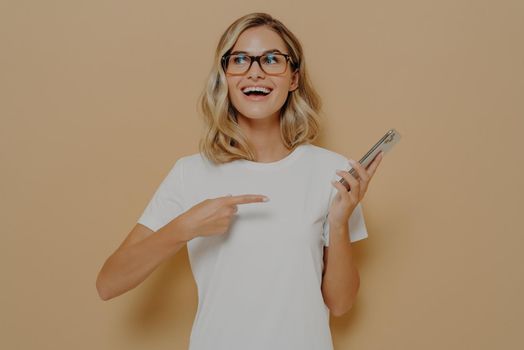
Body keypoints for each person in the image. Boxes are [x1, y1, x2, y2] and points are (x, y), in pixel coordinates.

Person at [96, 12, 383, 350]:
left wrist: (338, 223)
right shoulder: (191, 173)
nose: (256, 71)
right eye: (241, 59)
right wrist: (185, 226)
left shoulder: (331, 172)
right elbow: (109, 283)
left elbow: (341, 304)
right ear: (225, 76)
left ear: (293, 78)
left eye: (272, 59)